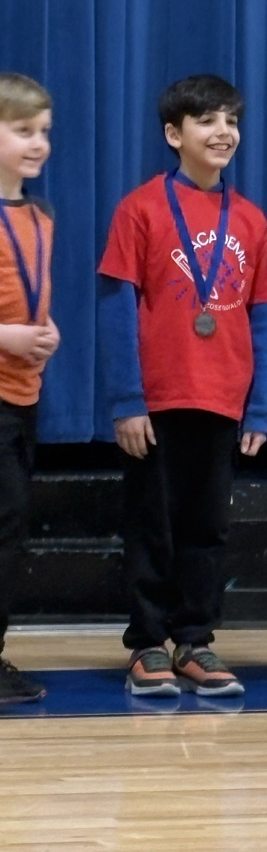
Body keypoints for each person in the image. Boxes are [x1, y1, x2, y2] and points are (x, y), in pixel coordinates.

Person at [98, 74, 267, 698]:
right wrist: (127, 400)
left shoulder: (250, 220)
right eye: (207, 120)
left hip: (222, 397)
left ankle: (194, 639)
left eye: (231, 120)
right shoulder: (141, 208)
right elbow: (117, 308)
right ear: (174, 134)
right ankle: (147, 641)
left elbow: (261, 315)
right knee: (153, 522)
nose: (223, 131)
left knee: (208, 526)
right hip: (159, 398)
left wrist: (259, 406)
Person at [0, 72, 59, 704]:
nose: (38, 143)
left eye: (43, 131)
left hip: (23, 394)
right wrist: (8, 337)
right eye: (23, 130)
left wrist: (45, 327)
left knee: (10, 526)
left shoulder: (40, 215)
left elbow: (29, 292)